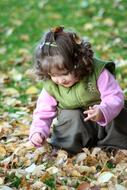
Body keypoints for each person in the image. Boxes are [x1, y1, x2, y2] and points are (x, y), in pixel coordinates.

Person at [29, 26, 127, 154]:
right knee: (70, 115)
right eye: (53, 75)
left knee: (117, 112)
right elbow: (43, 112)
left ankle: (115, 146)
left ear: (78, 62)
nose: (60, 80)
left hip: (104, 121)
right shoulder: (51, 86)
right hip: (78, 128)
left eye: (65, 73)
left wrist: (103, 110)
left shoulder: (98, 73)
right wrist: (38, 131)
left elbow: (114, 96)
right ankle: (67, 148)